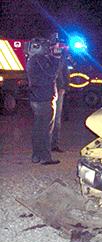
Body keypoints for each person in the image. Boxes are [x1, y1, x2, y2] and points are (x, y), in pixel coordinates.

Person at [25, 36, 61, 165]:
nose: (49, 48)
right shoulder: (40, 60)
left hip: (36, 97)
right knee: (46, 129)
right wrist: (56, 58)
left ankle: (36, 156)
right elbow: (51, 74)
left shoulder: (32, 59)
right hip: (44, 98)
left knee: (38, 128)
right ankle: (45, 157)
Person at [51, 34, 70, 153]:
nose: (58, 46)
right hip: (49, 89)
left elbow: (65, 72)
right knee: (48, 118)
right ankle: (46, 144)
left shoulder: (62, 57)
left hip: (59, 89)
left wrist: (65, 86)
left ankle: (54, 144)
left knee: (57, 119)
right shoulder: (47, 56)